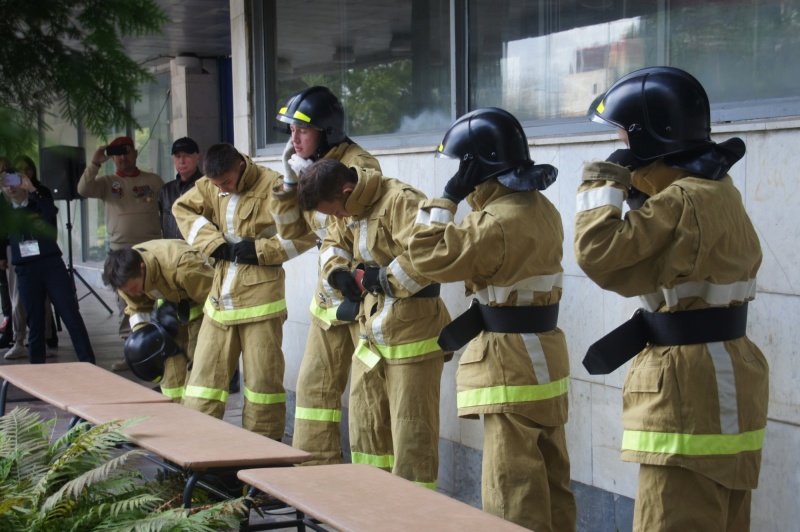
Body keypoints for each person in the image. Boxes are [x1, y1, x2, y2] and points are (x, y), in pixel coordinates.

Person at [574, 66, 769, 531]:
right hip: (726, 378)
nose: (618, 142)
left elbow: (596, 251)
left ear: (645, 139)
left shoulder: (682, 201)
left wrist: (606, 176)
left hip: (687, 393)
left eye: (623, 134)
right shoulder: (716, 191)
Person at [407, 108, 576, 530]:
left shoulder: (493, 223)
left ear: (476, 168)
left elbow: (425, 256)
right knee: (552, 479)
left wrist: (446, 197)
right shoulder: (542, 208)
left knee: (512, 489)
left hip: (509, 367)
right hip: (544, 360)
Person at [295, 158, 451, 489]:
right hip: (370, 338)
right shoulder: (349, 207)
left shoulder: (401, 201)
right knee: (366, 429)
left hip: (412, 341)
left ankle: (413, 518)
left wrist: (382, 279)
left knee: (412, 439)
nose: (339, 218)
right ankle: (370, 507)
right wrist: (337, 271)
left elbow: (431, 257)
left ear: (348, 191)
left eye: (337, 211)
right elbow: (331, 242)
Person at [172, 142, 316, 439]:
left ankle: (263, 457)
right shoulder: (214, 183)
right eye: (216, 186)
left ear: (239, 166)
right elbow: (181, 208)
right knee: (203, 381)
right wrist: (214, 243)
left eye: (225, 183)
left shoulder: (274, 185)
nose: (221, 190)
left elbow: (303, 235)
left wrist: (261, 251)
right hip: (220, 300)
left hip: (260, 303)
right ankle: (195, 452)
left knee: (263, 384)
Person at [270, 86, 382, 464]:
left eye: (303, 130)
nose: (294, 138)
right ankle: (313, 477)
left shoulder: (359, 166)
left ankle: (372, 493)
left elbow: (348, 228)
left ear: (328, 132)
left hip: (360, 297)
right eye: (291, 130)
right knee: (314, 389)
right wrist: (289, 183)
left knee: (367, 401)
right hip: (327, 299)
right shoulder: (304, 167)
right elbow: (292, 231)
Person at [156, 136, 240, 394]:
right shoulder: (167, 191)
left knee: (213, 322)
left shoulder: (208, 185)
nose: (181, 161)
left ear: (197, 157)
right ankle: (184, 378)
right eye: (177, 156)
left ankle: (229, 375)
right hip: (175, 265)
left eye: (186, 155)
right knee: (181, 328)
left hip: (202, 261)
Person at [78, 136, 164, 371]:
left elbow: (167, 210)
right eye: (118, 154)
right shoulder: (107, 182)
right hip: (121, 253)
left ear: (136, 153)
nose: (123, 158)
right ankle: (132, 353)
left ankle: (161, 350)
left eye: (127, 152)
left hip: (151, 252)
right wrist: (95, 162)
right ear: (112, 157)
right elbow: (83, 189)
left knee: (160, 300)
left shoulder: (153, 180)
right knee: (127, 306)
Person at [1, 167, 95, 364]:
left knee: (70, 313)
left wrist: (32, 189)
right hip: (25, 269)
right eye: (5, 184)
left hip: (51, 264)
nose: (10, 188)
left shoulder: (39, 199)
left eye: (14, 182)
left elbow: (51, 213)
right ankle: (37, 368)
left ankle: (88, 362)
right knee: (35, 322)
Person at [102, 240, 214, 402]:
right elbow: (137, 308)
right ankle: (174, 412)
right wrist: (145, 340)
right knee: (171, 370)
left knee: (198, 371)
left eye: (134, 288)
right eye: (127, 291)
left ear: (142, 268)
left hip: (202, 306)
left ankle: (195, 413)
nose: (132, 294)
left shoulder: (182, 267)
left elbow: (215, 301)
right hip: (170, 311)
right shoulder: (125, 279)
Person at [3, 156, 59, 360]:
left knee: (41, 299)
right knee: (17, 298)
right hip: (15, 251)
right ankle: (19, 339)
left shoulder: (40, 192)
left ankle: (42, 339)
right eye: (19, 171)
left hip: (41, 250)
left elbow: (50, 218)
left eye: (28, 169)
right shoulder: (6, 193)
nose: (24, 173)